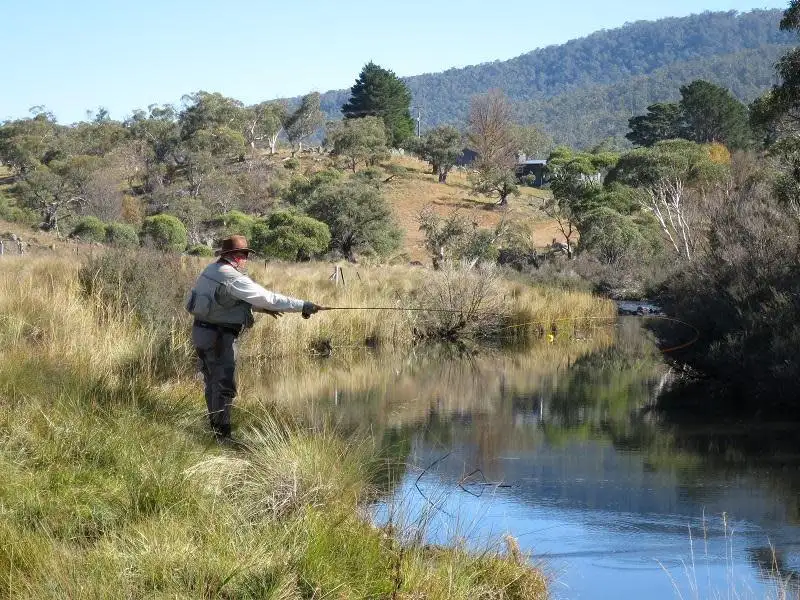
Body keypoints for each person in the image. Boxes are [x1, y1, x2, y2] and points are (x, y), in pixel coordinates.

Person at [186, 234, 321, 441]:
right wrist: (303, 306)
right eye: (244, 254)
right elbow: (268, 298)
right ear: (234, 256)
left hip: (202, 332)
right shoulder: (231, 276)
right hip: (219, 338)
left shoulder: (211, 270)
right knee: (224, 386)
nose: (246, 259)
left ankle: (214, 430)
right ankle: (223, 437)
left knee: (211, 383)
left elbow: (225, 300)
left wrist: (259, 308)